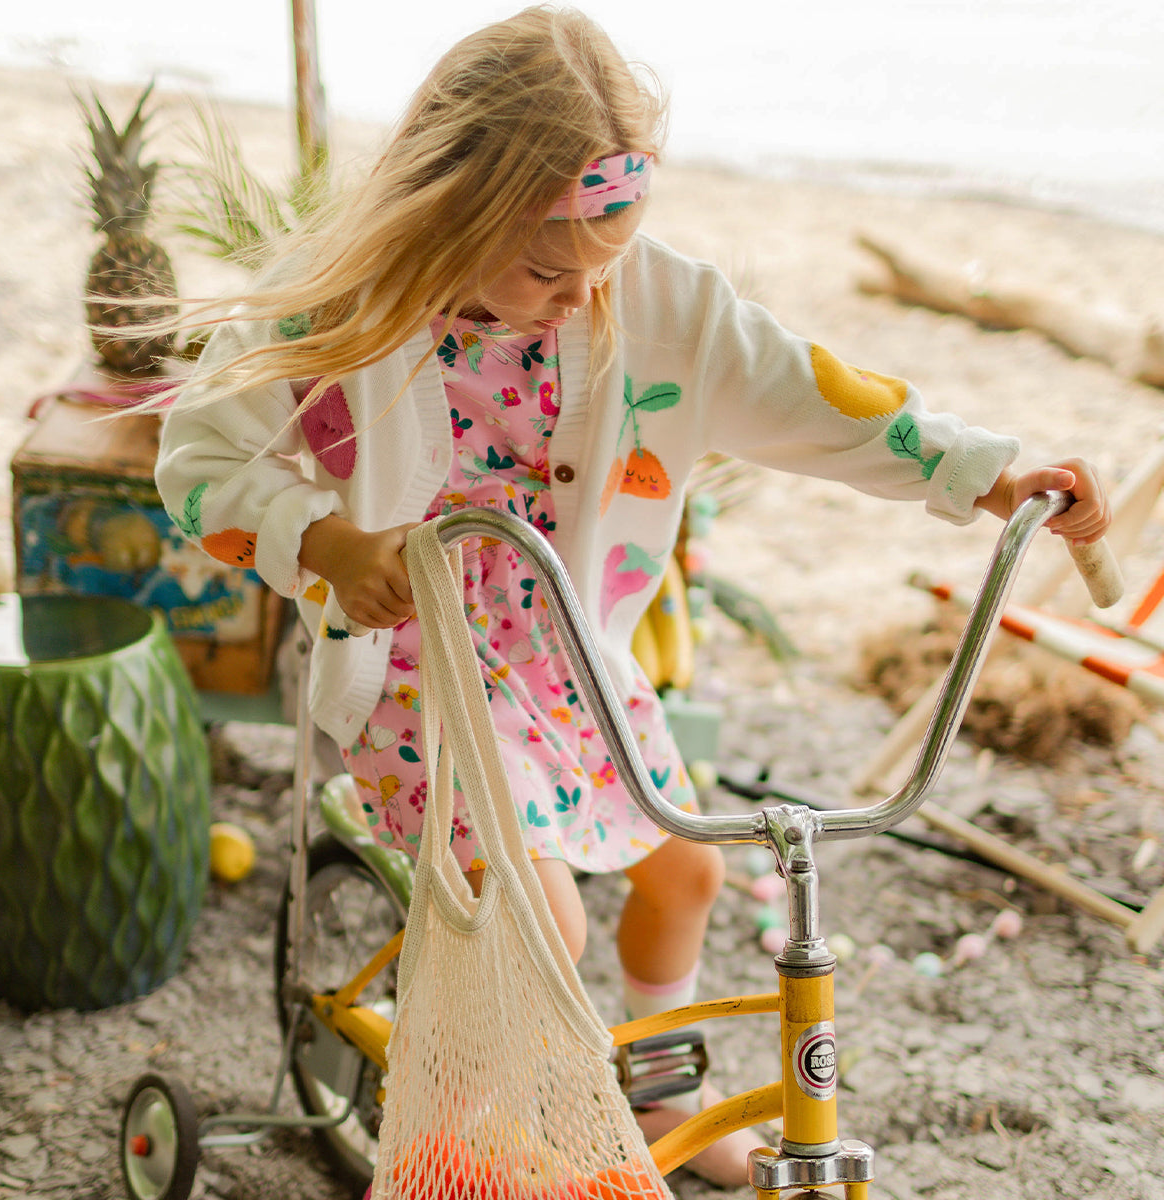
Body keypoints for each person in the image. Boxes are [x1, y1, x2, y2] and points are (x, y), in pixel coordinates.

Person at [155, 5, 1110, 1185]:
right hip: (423, 661)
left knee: (691, 866)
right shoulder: (339, 306)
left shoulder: (647, 298)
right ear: (452, 214)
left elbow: (819, 393)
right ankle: (487, 1140)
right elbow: (197, 464)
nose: (579, 298)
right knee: (538, 923)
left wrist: (987, 471)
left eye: (603, 266)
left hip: (568, 649)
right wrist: (329, 538)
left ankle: (659, 1106)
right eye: (550, 270)